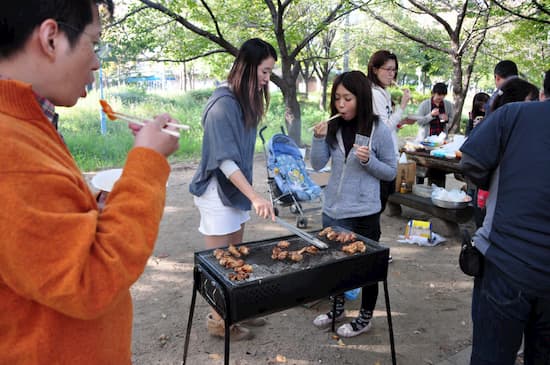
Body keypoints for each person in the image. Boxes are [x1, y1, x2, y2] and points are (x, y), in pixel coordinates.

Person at [0, 1, 181, 364]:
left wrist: (95, 202)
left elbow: (46, 230)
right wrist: (148, 163)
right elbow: (90, 281)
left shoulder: (24, 121)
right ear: (51, 39)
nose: (97, 62)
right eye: (93, 43)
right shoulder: (10, 149)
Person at [459, 71, 550, 365]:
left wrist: (498, 179)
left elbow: (470, 162)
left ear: (543, 93)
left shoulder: (514, 115)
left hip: (505, 263)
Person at [189, 38, 277, 341]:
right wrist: (254, 197)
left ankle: (236, 311)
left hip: (238, 191)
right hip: (216, 193)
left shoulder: (245, 100)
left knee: (237, 256)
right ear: (248, 66)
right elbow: (225, 160)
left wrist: (252, 192)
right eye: (264, 72)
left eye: (270, 73)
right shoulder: (222, 106)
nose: (267, 79)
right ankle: (218, 321)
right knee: (221, 263)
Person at [310, 70, 396, 338]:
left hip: (364, 212)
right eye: (337, 98)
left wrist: (369, 161)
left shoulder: (378, 129)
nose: (341, 105)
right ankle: (336, 308)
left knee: (366, 269)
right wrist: (317, 138)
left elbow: (391, 171)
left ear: (361, 98)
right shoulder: (333, 127)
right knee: (334, 265)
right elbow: (316, 164)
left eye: (348, 98)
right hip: (333, 210)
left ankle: (365, 317)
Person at [468, 78, 539, 229]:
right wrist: (489, 183)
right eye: (532, 100)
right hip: (497, 205)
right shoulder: (504, 126)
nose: (537, 105)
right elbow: (469, 162)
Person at [367, 50, 411, 214]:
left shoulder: (383, 92)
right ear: (375, 69)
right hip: (381, 158)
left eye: (394, 70)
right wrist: (403, 106)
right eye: (388, 69)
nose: (392, 74)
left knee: (380, 203)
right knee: (377, 206)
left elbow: (385, 124)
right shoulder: (375, 93)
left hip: (387, 155)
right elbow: (384, 129)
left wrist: (400, 121)